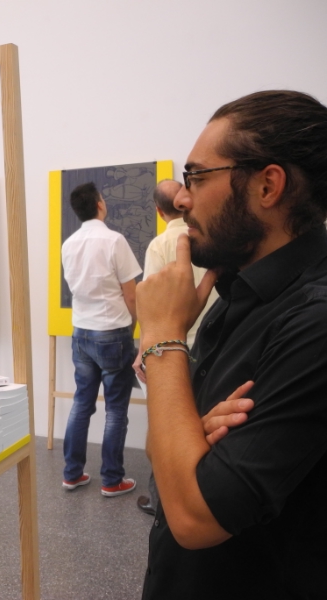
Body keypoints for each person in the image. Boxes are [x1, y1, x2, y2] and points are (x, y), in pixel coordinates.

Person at [137, 90, 327, 599]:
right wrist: (190, 435)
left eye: (196, 176)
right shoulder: (235, 293)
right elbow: (161, 453)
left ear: (267, 185)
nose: (182, 199)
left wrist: (162, 335)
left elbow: (193, 517)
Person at [133, 179, 219, 516]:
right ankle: (195, 497)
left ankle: (164, 504)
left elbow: (152, 303)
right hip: (210, 341)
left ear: (158, 211)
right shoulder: (209, 238)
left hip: (173, 347)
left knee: (166, 428)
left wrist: (145, 349)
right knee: (199, 424)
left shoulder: (160, 244)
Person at [61, 182, 141, 497]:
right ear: (100, 204)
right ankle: (111, 479)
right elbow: (131, 294)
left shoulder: (68, 244)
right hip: (112, 332)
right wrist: (134, 326)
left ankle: (72, 474)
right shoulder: (114, 241)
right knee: (116, 409)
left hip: (81, 332)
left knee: (82, 403)